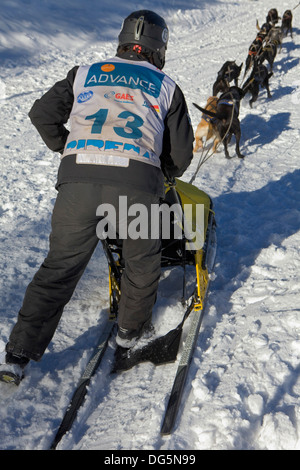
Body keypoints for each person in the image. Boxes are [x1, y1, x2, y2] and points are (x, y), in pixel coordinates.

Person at [0, 10, 194, 385]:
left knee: (59, 269)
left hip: (77, 182)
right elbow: (182, 154)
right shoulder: (165, 85)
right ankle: (130, 333)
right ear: (159, 48)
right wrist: (161, 175)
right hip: (136, 183)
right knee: (141, 262)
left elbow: (42, 114)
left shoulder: (84, 73)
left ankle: (17, 354)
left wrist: (68, 150)